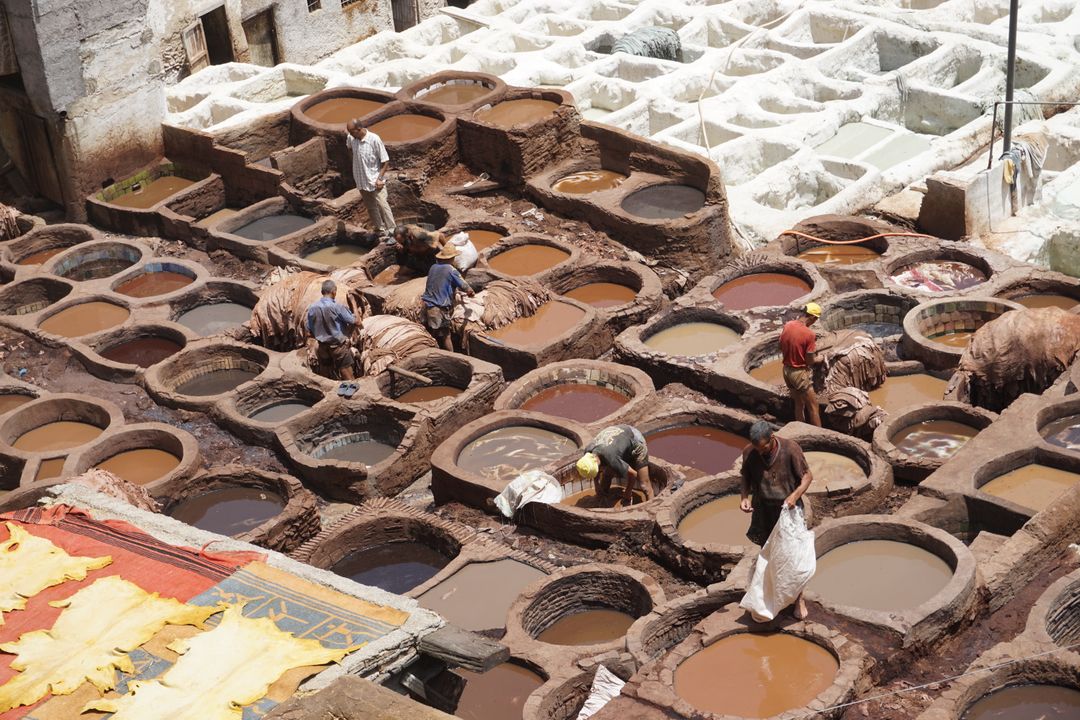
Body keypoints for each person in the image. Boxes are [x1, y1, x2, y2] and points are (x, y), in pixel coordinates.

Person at [739, 420, 813, 619]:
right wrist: (744, 497)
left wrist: (794, 497)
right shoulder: (750, 452)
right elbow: (745, 477)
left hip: (788, 510)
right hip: (764, 509)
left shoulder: (790, 449)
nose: (760, 452)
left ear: (771, 439)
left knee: (792, 556)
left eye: (763, 448)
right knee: (769, 554)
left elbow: (807, 476)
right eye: (757, 448)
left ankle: (798, 599)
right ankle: (772, 597)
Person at [576, 425, 652, 505]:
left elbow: (633, 474)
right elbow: (595, 470)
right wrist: (597, 485)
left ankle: (651, 508)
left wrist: (628, 492)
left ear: (596, 461)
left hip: (635, 439)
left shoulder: (611, 457)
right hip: (618, 440)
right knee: (606, 477)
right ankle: (603, 500)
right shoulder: (588, 452)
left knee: (645, 485)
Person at [346, 119, 395, 235]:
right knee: (371, 208)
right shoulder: (351, 138)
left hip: (375, 180)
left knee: (383, 206)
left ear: (359, 129)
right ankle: (379, 230)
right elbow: (349, 148)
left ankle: (392, 232)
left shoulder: (374, 139)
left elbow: (385, 161)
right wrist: (355, 162)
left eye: (352, 132)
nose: (350, 135)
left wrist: (379, 178)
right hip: (361, 180)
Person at [421, 244, 474, 351]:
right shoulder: (451, 270)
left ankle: (435, 349)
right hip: (438, 308)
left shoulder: (433, 267)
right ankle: (451, 355)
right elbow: (466, 287)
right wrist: (471, 292)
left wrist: (455, 292)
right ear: (452, 258)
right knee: (446, 336)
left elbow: (442, 284)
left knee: (432, 332)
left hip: (426, 305)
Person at [780, 302, 823, 427]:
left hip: (786, 370)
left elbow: (780, 345)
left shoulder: (788, 325)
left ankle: (800, 428)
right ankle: (818, 435)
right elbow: (810, 361)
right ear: (812, 317)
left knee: (799, 404)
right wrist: (818, 358)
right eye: (815, 320)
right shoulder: (809, 334)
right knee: (814, 407)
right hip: (799, 373)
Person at [306, 279, 356, 380]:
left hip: (322, 347)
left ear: (322, 292)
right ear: (334, 291)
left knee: (325, 376)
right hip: (338, 348)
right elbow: (356, 322)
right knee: (349, 377)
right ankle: (352, 394)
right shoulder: (337, 307)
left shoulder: (312, 308)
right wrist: (353, 302)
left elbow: (309, 331)